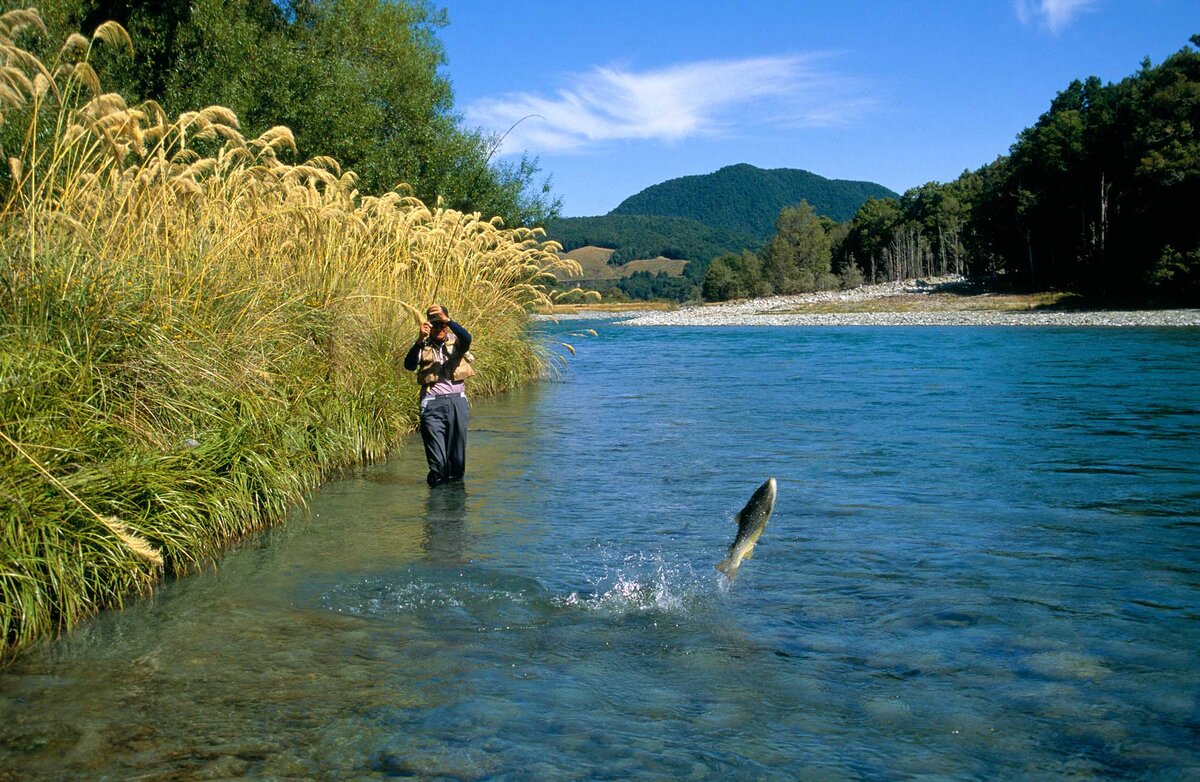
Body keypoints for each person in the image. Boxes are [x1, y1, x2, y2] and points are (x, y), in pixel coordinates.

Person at [404, 304, 474, 486]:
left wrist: (448, 321)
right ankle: (436, 506)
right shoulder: (423, 345)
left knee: (457, 463)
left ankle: (455, 507)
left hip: (457, 403)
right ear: (428, 324)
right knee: (438, 465)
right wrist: (419, 340)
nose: (440, 328)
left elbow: (467, 337)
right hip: (432, 405)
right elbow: (409, 365)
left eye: (442, 324)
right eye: (435, 324)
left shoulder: (456, 342)